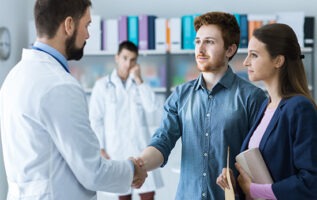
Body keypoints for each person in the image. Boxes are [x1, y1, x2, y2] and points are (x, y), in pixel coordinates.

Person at [0, 0, 147, 199]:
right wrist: (132, 170)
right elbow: (92, 171)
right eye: (86, 25)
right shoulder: (59, 85)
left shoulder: (14, 76)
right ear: (69, 25)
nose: (88, 34)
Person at [135, 11, 267, 200]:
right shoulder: (180, 96)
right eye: (197, 42)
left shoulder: (252, 97)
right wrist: (139, 164)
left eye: (210, 42)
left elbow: (260, 160)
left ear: (230, 50)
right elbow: (162, 141)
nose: (200, 49)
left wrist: (238, 178)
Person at [216, 23, 317, 200]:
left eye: (254, 55)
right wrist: (236, 183)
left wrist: (253, 190)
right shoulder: (265, 105)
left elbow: (311, 182)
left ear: (278, 60)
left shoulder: (299, 108)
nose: (246, 62)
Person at [89, 41, 163, 200]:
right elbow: (95, 119)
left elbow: (152, 107)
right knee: (123, 194)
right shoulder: (102, 85)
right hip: (117, 150)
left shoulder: (140, 84)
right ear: (117, 58)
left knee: (148, 194)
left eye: (133, 60)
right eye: (125, 58)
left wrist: (139, 79)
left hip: (141, 149)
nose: (128, 64)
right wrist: (100, 147)